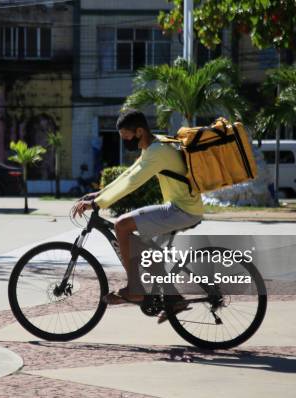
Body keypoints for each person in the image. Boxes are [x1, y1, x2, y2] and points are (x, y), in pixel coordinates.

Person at [73, 109, 204, 322]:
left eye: (127, 137)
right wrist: (99, 194)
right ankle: (174, 298)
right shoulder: (156, 145)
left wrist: (97, 203)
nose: (126, 142)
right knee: (146, 249)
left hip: (182, 209)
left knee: (122, 225)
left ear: (140, 131)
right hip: (182, 207)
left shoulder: (157, 152)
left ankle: (135, 289)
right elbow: (129, 173)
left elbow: (132, 182)